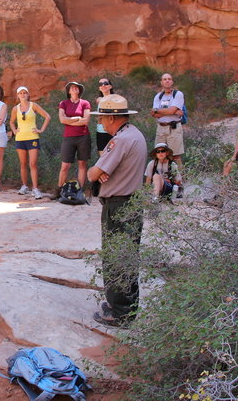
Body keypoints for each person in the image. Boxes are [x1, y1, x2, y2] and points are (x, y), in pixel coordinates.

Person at [87, 94, 147, 327]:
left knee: (117, 258)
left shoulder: (120, 140)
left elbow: (93, 173)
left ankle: (120, 313)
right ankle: (124, 306)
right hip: (131, 202)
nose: (100, 120)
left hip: (119, 205)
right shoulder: (135, 134)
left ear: (112, 117)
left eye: (102, 116)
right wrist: (102, 170)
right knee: (127, 255)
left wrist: (99, 170)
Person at [9, 86, 51, 199]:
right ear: (17, 96)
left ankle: (35, 189)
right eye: (20, 93)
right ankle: (24, 186)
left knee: (33, 164)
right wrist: (14, 130)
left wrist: (41, 130)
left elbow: (47, 116)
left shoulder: (33, 106)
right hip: (20, 138)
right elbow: (11, 122)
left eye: (24, 93)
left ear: (28, 94)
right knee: (23, 164)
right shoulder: (15, 108)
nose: (22, 95)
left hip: (32, 138)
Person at [57, 81, 92, 190]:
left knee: (82, 164)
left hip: (83, 137)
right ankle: (59, 190)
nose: (74, 88)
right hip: (69, 137)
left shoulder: (85, 103)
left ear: (79, 90)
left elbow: (86, 121)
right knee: (65, 165)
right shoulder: (63, 103)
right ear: (68, 91)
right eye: (72, 87)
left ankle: (80, 190)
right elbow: (61, 119)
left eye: (76, 87)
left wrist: (70, 120)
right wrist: (77, 119)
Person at [150, 73, 185, 168]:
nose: (167, 81)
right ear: (161, 82)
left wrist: (160, 111)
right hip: (161, 128)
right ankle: (162, 178)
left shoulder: (178, 94)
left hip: (173, 128)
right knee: (159, 154)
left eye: (169, 79)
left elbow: (170, 110)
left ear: (172, 81)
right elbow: (154, 114)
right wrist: (172, 111)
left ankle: (179, 179)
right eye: (165, 79)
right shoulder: (158, 96)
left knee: (175, 155)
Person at [95, 77, 115, 153]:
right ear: (99, 88)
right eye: (101, 84)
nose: (103, 85)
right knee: (102, 156)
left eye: (106, 83)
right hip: (101, 131)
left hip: (113, 131)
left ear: (110, 86)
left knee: (113, 155)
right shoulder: (99, 99)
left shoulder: (117, 99)